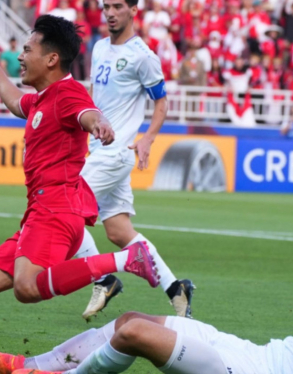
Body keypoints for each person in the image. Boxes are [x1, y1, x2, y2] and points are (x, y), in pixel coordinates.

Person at [0, 15, 160, 374]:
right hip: (40, 213)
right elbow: (16, 102)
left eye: (27, 50)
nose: (21, 57)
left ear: (51, 60)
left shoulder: (68, 93)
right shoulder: (42, 99)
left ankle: (126, 260)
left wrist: (101, 125)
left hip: (57, 210)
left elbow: (88, 114)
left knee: (26, 288)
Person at [0, 266, 293, 374]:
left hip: (243, 371)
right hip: (247, 351)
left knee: (134, 334)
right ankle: (31, 364)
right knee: (129, 318)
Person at [76, 0, 193, 321]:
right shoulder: (99, 48)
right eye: (106, 6)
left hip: (117, 152)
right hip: (99, 149)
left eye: (117, 6)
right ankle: (176, 289)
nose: (110, 13)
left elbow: (161, 104)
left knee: (66, 213)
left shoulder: (143, 56)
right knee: (117, 230)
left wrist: (147, 139)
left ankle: (104, 279)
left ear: (133, 10)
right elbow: (94, 97)